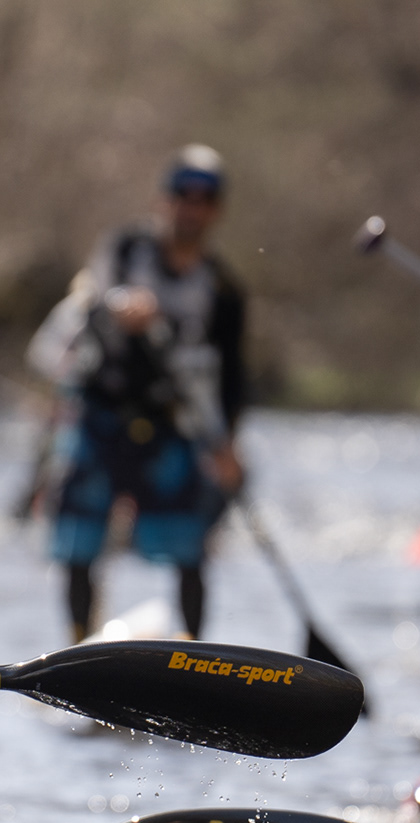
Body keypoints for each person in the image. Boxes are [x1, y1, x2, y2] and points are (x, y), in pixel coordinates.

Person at [27, 143, 247, 642]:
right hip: (100, 415)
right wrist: (122, 304)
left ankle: (195, 653)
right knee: (79, 541)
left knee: (190, 546)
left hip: (170, 424)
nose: (191, 208)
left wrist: (228, 443)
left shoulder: (223, 290)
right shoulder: (125, 249)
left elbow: (233, 377)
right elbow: (102, 287)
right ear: (163, 200)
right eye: (182, 195)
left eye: (204, 199)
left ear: (216, 210)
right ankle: (77, 642)